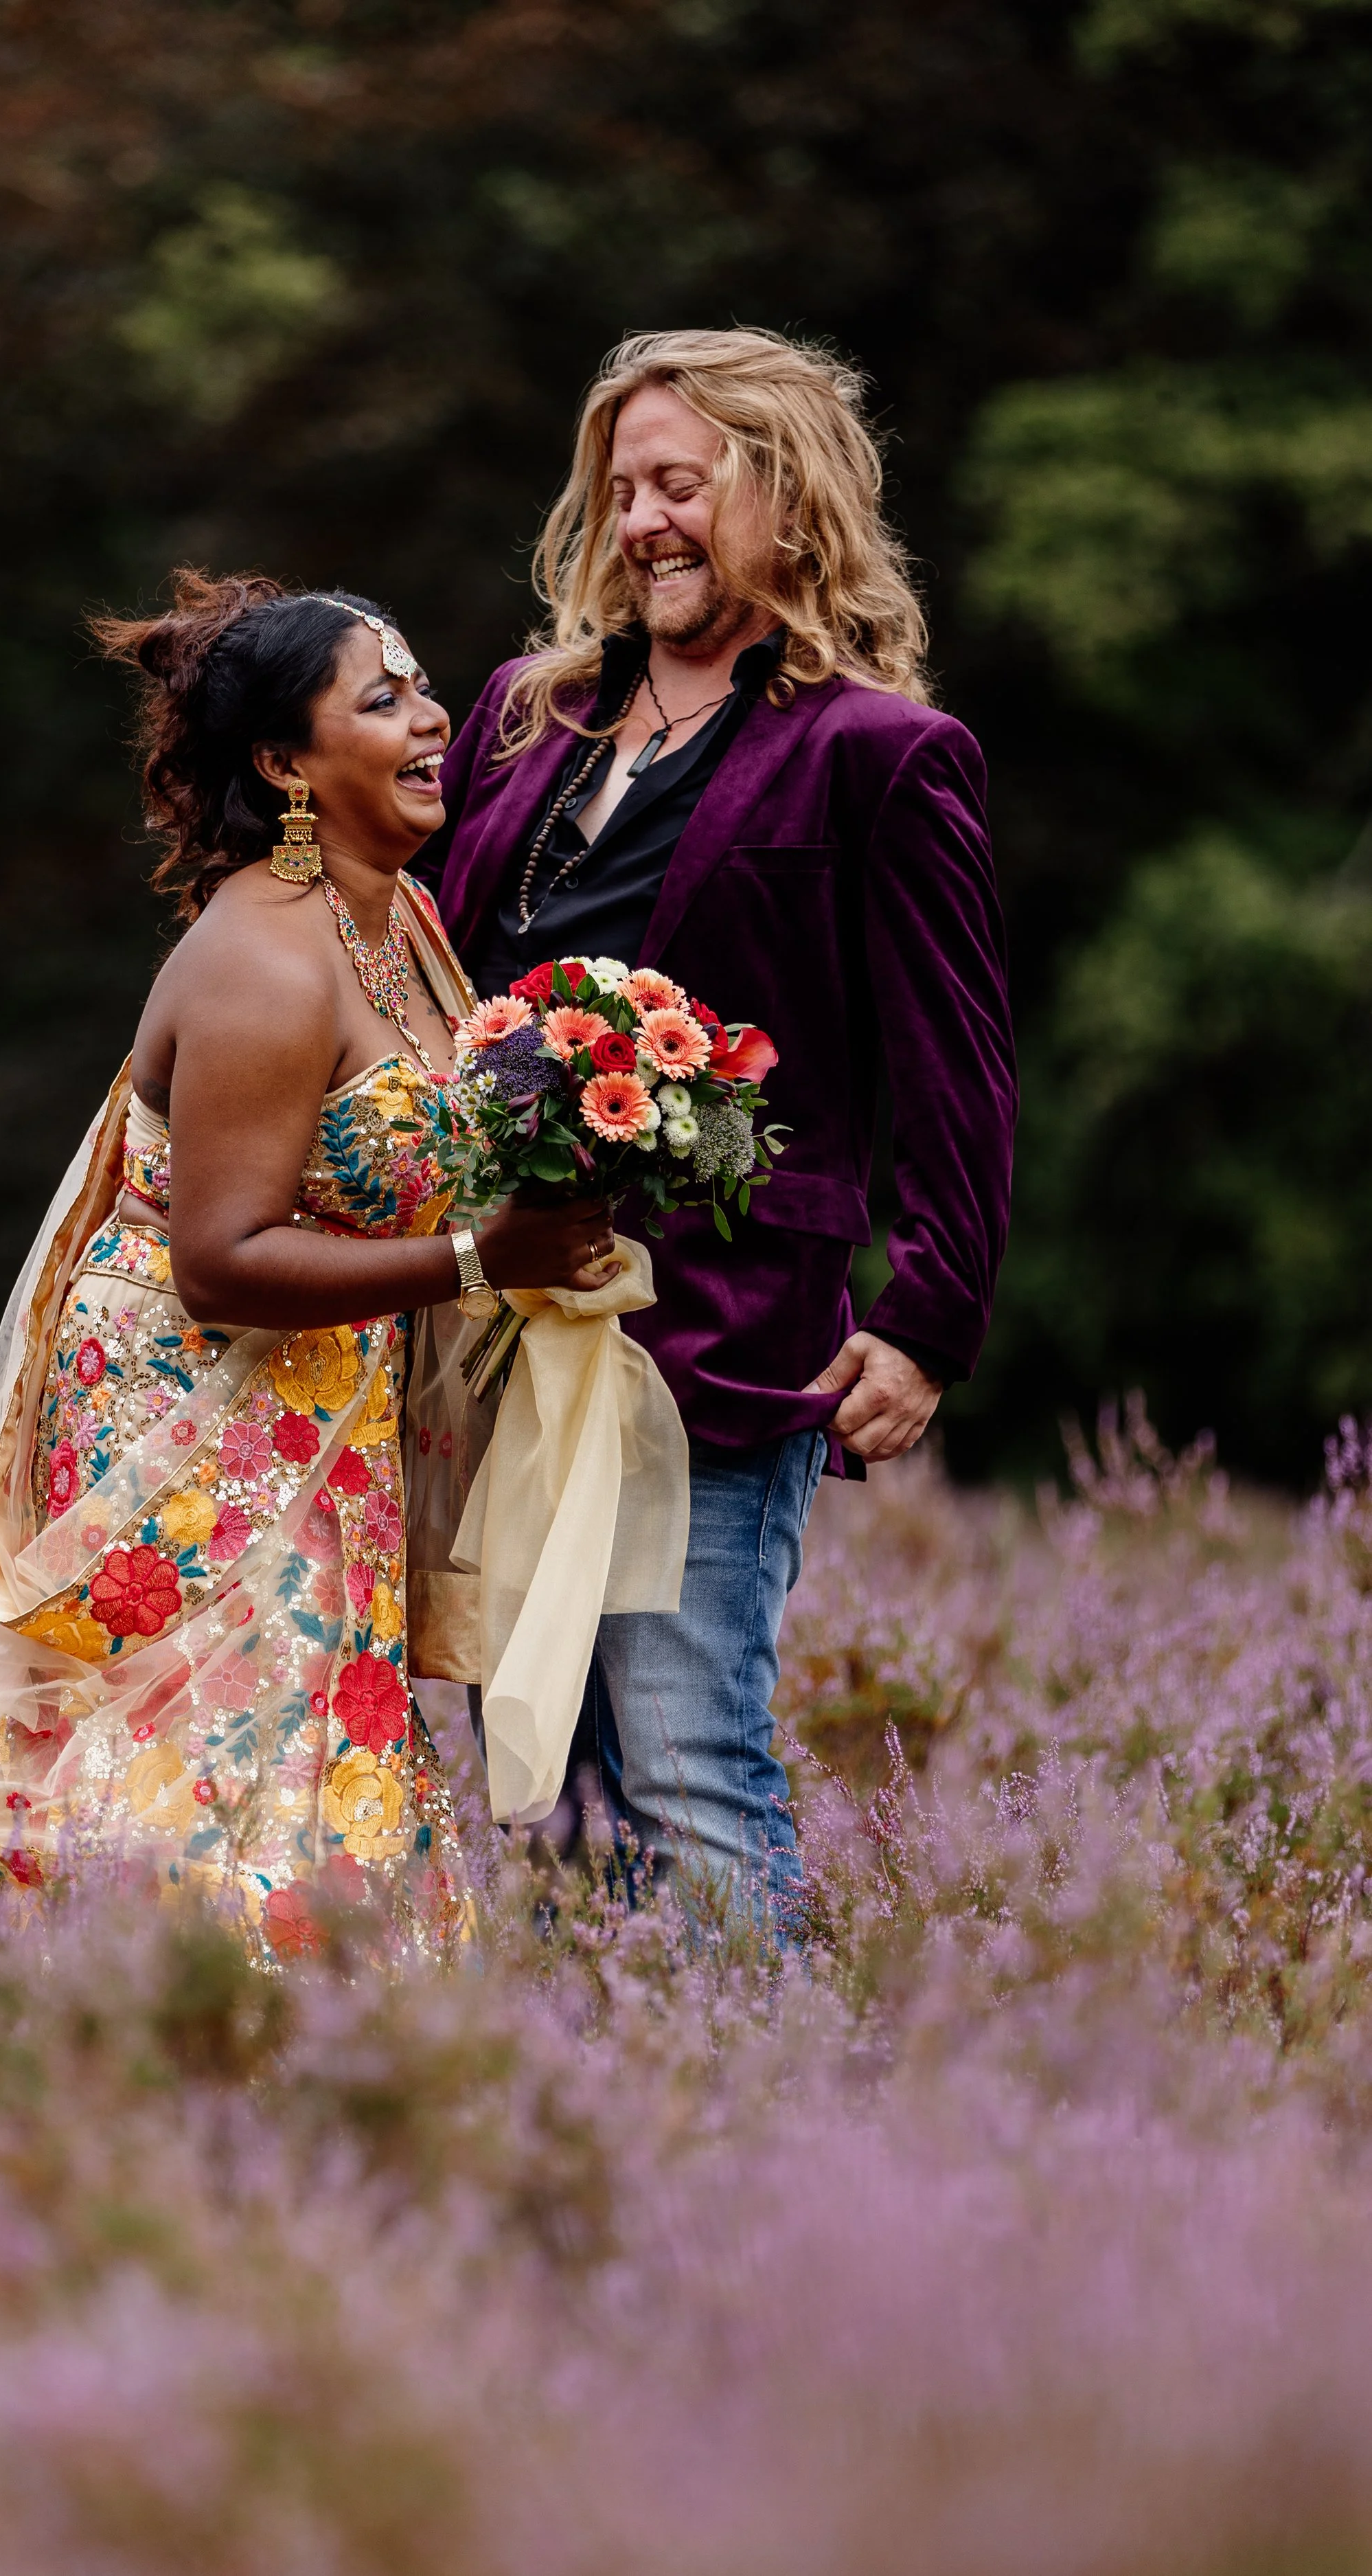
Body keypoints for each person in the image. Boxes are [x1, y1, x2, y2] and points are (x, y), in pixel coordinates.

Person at [419, 327, 1018, 1936]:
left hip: (721, 1336)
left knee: (688, 1771)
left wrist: (928, 1320)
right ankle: (612, 2131)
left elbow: (953, 1062)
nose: (641, 525)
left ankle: (777, 2113)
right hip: (488, 1325)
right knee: (536, 1774)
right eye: (621, 492)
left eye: (680, 485)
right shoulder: (519, 717)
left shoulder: (881, 756)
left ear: (789, 492)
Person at [0, 575, 609, 1963]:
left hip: (324, 1401)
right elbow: (221, 1261)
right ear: (285, 765)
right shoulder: (263, 960)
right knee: (223, 1754)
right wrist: (484, 1256)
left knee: (322, 1732)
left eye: (421, 688)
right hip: (195, 1423)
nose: (431, 720)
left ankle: (338, 2069)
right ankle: (182, 2042)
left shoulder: (394, 914)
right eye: (382, 699)